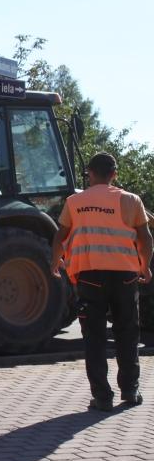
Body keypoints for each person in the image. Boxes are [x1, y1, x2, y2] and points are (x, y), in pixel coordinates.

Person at [51, 152, 153, 411]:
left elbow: (59, 236)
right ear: (114, 174)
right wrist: (145, 268)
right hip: (126, 276)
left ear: (90, 174)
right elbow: (146, 238)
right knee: (127, 333)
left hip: (89, 276)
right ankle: (130, 390)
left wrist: (56, 263)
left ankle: (102, 397)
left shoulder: (75, 202)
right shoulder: (132, 200)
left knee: (94, 337)